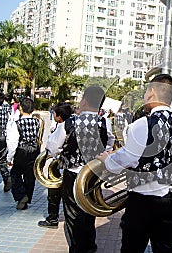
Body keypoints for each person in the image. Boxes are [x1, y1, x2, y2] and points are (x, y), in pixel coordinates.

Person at [96, 74, 172, 253]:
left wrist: (108, 161)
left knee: (132, 249)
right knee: (164, 248)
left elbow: (128, 158)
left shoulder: (142, 124)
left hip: (143, 201)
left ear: (151, 92)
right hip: (171, 202)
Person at [60, 85, 111, 253]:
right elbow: (109, 143)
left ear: (84, 101)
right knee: (90, 210)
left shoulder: (71, 122)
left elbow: (54, 145)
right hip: (93, 174)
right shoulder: (104, 122)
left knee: (72, 213)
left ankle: (77, 248)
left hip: (73, 174)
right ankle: (90, 245)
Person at [37, 102, 72, 229]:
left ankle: (52, 219)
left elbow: (54, 147)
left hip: (59, 164)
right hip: (69, 165)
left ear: (58, 116)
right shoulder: (70, 124)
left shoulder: (62, 127)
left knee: (54, 192)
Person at [6, 97, 41, 210]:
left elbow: (14, 142)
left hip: (22, 150)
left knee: (15, 174)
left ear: (20, 108)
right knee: (30, 176)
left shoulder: (17, 123)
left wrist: (9, 157)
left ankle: (21, 195)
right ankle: (27, 198)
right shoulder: (37, 122)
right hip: (34, 150)